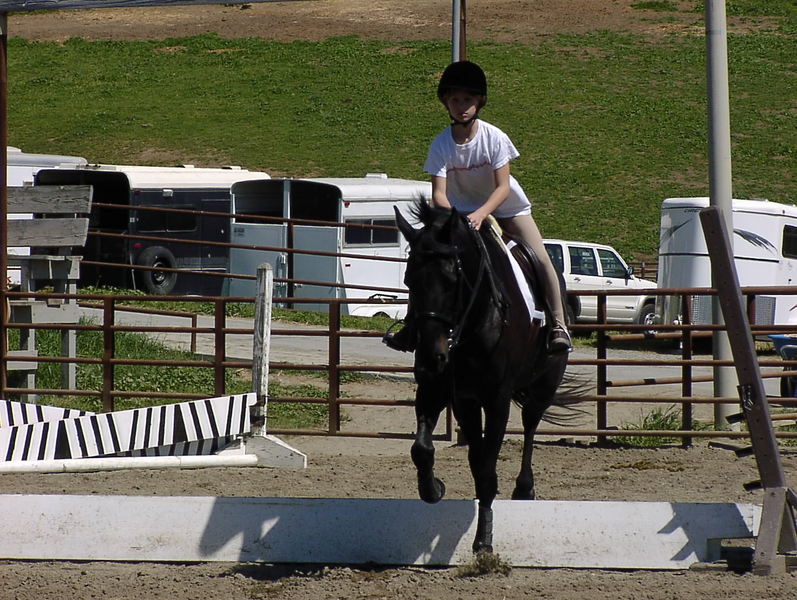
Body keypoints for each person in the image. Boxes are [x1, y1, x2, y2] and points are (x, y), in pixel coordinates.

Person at [384, 60, 572, 354]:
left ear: (479, 102)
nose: (461, 106)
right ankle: (411, 326)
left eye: (467, 100)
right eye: (455, 100)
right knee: (428, 260)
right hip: (459, 214)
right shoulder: (440, 145)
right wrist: (455, 219)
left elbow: (503, 187)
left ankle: (559, 325)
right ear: (446, 102)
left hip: (506, 208)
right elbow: (439, 195)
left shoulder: (494, 137)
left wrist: (481, 214)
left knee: (541, 258)